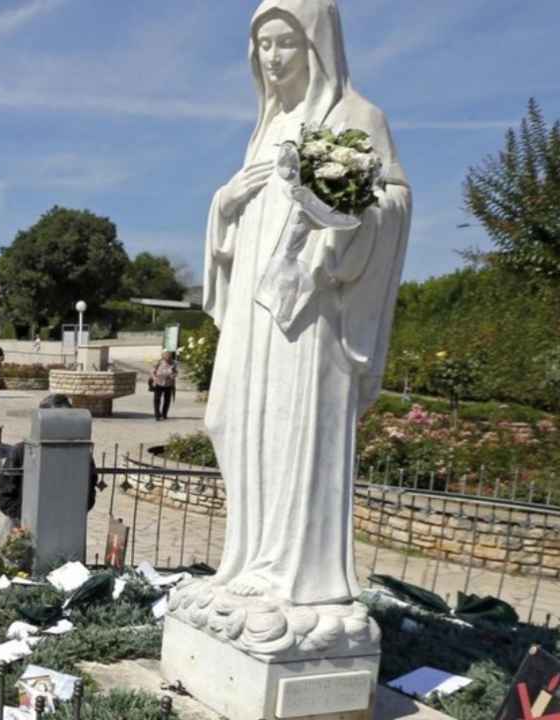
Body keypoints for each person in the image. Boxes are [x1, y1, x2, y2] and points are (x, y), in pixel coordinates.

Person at [201, 0, 411, 603]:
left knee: (294, 429)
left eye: (285, 43)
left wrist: (341, 220)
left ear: (315, 45)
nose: (272, 58)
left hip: (311, 311)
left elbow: (393, 201)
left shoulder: (357, 115)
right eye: (263, 45)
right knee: (228, 420)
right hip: (252, 307)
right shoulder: (264, 126)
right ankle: (248, 562)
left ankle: (295, 579)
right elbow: (240, 225)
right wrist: (225, 202)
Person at [0, 394, 98, 536]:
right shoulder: (21, 452)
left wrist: (69, 516)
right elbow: (6, 496)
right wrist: (27, 519)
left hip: (66, 530)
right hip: (24, 529)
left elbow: (89, 491)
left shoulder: (81, 455)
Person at [151, 350, 178, 421]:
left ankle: (164, 414)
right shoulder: (159, 362)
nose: (168, 358)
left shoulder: (174, 363)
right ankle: (157, 415)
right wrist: (154, 378)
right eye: (166, 356)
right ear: (163, 356)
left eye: (169, 356)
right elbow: (153, 371)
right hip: (158, 383)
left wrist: (173, 376)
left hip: (168, 384)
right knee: (157, 400)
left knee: (167, 400)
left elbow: (175, 372)